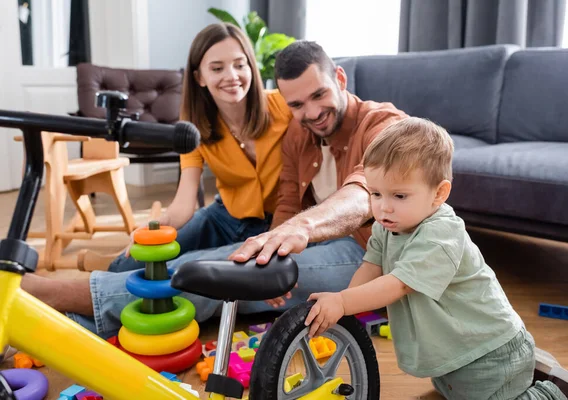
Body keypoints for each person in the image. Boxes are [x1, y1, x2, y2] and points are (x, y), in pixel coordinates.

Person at [21, 40, 408, 339]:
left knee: (214, 275)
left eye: (319, 95)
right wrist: (274, 246)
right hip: (319, 242)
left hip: (368, 253)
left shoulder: (384, 124)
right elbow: (289, 199)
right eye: (297, 104)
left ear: (340, 79)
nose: (310, 112)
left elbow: (362, 195)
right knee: (218, 262)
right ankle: (68, 321)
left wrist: (300, 230)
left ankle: (60, 296)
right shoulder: (299, 131)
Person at [303, 117, 568, 399]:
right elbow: (371, 266)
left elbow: (398, 285)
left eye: (399, 196)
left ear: (439, 193)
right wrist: (344, 306)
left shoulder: (441, 233)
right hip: (452, 352)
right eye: (376, 194)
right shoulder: (386, 227)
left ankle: (550, 393)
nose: (383, 208)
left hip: (488, 351)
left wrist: (342, 302)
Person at [107, 22, 292, 273]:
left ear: (251, 67)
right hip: (224, 218)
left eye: (240, 64)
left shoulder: (285, 106)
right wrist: (157, 226)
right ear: (199, 78)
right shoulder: (193, 128)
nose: (232, 76)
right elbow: (184, 203)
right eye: (217, 68)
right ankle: (104, 265)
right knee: (129, 263)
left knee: (185, 270)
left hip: (282, 224)